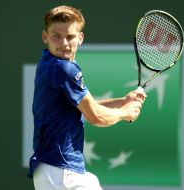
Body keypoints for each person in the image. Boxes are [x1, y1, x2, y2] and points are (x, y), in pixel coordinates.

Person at [28, 5, 146, 190]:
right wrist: (125, 113)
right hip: (61, 172)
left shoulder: (49, 64)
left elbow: (85, 108)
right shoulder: (63, 68)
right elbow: (95, 117)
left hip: (53, 170)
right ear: (45, 37)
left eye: (70, 36)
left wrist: (122, 102)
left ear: (80, 38)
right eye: (56, 36)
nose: (64, 43)